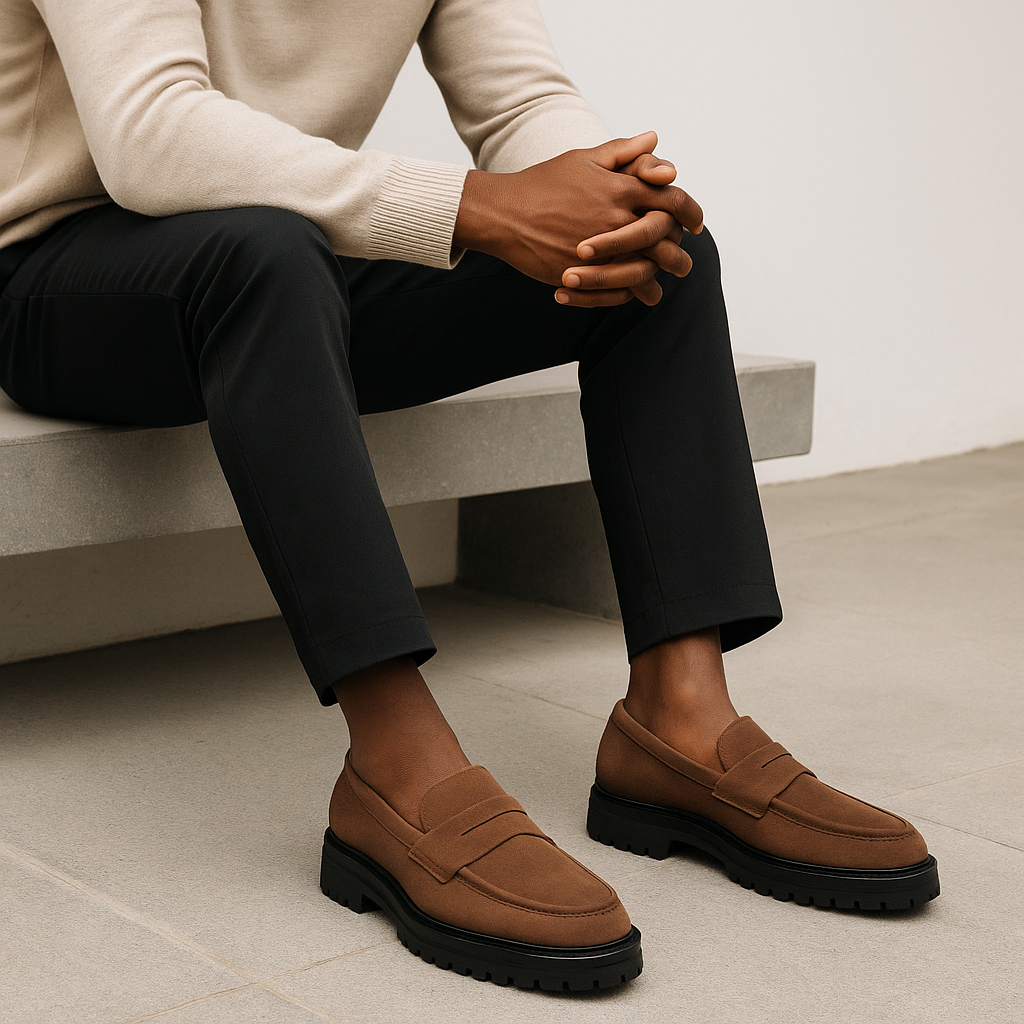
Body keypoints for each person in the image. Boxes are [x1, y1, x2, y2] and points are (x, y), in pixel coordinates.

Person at [0, 0, 939, 992]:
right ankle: (395, 767)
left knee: (659, 259)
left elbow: (520, 101)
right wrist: (481, 208)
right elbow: (152, 134)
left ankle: (680, 719)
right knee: (263, 255)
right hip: (67, 273)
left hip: (298, 253)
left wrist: (609, 198)